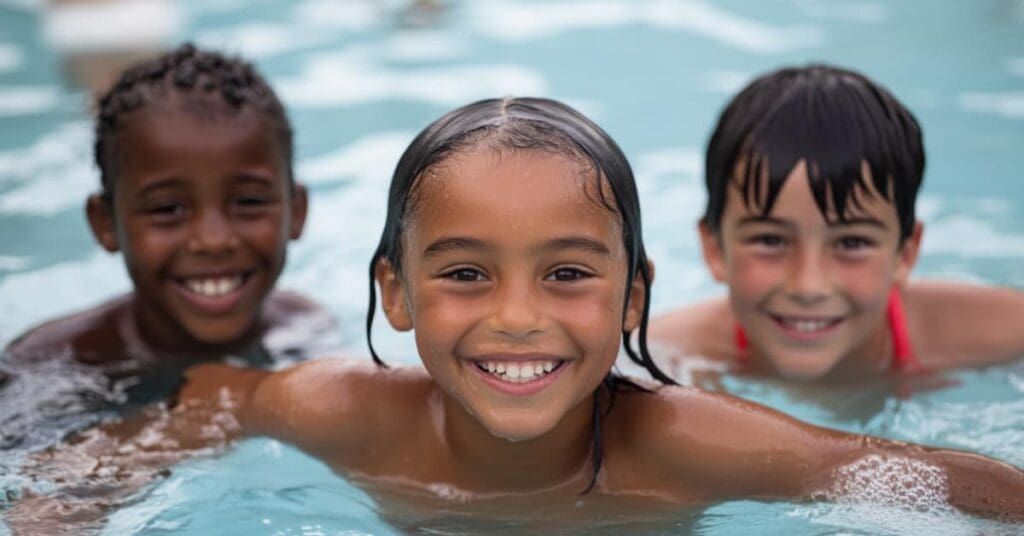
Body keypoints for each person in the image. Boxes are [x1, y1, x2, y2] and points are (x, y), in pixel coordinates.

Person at [9, 98, 1024, 533]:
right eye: (463, 272)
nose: (515, 318)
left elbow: (938, 479)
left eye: (567, 273)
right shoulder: (342, 410)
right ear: (393, 292)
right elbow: (202, 404)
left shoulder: (684, 441)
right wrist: (61, 504)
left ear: (635, 297)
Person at [0, 44, 338, 449]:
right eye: (167, 209)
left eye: (248, 202)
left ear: (296, 212)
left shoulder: (301, 327)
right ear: (105, 224)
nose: (213, 241)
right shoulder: (47, 366)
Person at [649, 64, 1024, 382]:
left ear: (906, 253)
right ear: (714, 248)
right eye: (769, 239)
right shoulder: (664, 358)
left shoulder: (988, 333)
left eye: (851, 243)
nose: (809, 286)